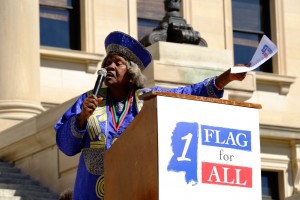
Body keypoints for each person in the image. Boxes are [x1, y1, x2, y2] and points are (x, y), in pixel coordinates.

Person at [54, 31, 247, 200]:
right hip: (91, 193)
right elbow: (66, 146)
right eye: (108, 62)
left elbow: (187, 93)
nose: (109, 67)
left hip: (135, 189)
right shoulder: (88, 99)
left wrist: (225, 78)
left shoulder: (148, 99)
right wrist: (80, 119)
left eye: (117, 63)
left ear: (131, 73)